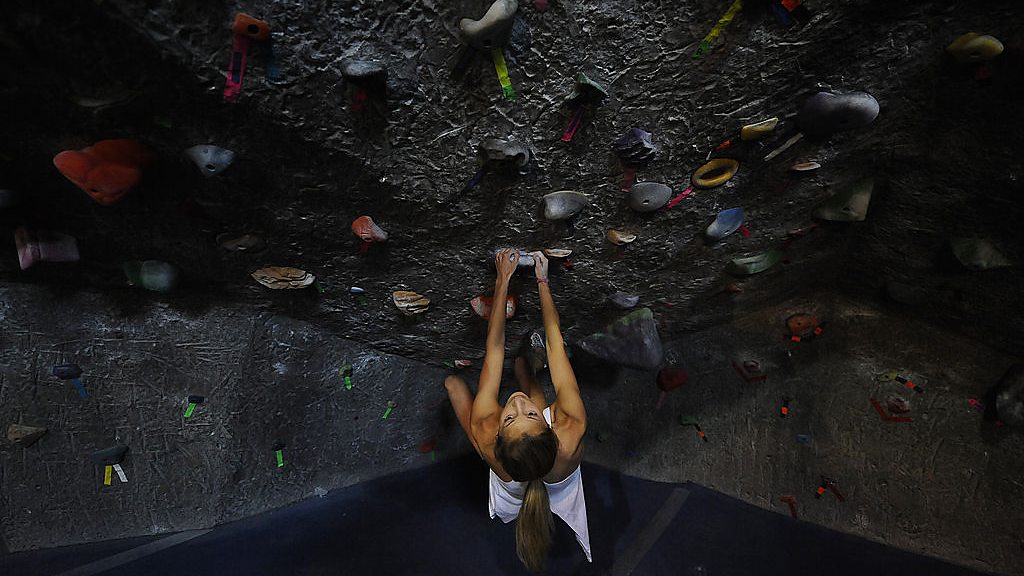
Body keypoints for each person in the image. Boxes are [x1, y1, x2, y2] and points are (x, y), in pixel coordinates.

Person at [444, 248, 591, 573]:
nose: (518, 402)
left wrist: (502, 279)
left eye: (510, 417)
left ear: (497, 435)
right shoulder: (572, 427)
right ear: (551, 426)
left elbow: (494, 351)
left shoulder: (486, 436)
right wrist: (542, 280)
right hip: (550, 467)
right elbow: (555, 345)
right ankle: (525, 365)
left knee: (453, 384)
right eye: (533, 414)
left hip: (512, 473)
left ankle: (523, 365)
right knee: (528, 379)